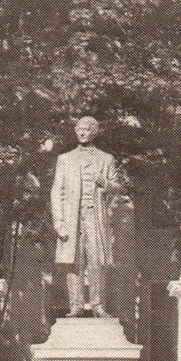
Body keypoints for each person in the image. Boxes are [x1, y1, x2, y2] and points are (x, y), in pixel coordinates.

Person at [50, 116, 124, 316]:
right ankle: (76, 305)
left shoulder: (106, 159)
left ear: (95, 132)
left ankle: (98, 305)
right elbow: (57, 192)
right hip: (72, 218)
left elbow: (118, 187)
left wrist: (105, 183)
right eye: (79, 129)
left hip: (95, 217)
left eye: (87, 129)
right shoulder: (64, 159)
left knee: (97, 261)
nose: (82, 132)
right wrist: (59, 222)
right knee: (73, 260)